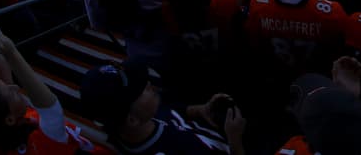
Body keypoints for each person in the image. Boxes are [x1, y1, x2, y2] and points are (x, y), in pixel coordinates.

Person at [80, 59, 245, 154]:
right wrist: (235, 139)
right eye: (141, 89)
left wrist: (201, 110)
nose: (149, 84)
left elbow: (171, 113)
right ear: (131, 120)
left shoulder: (145, 116)